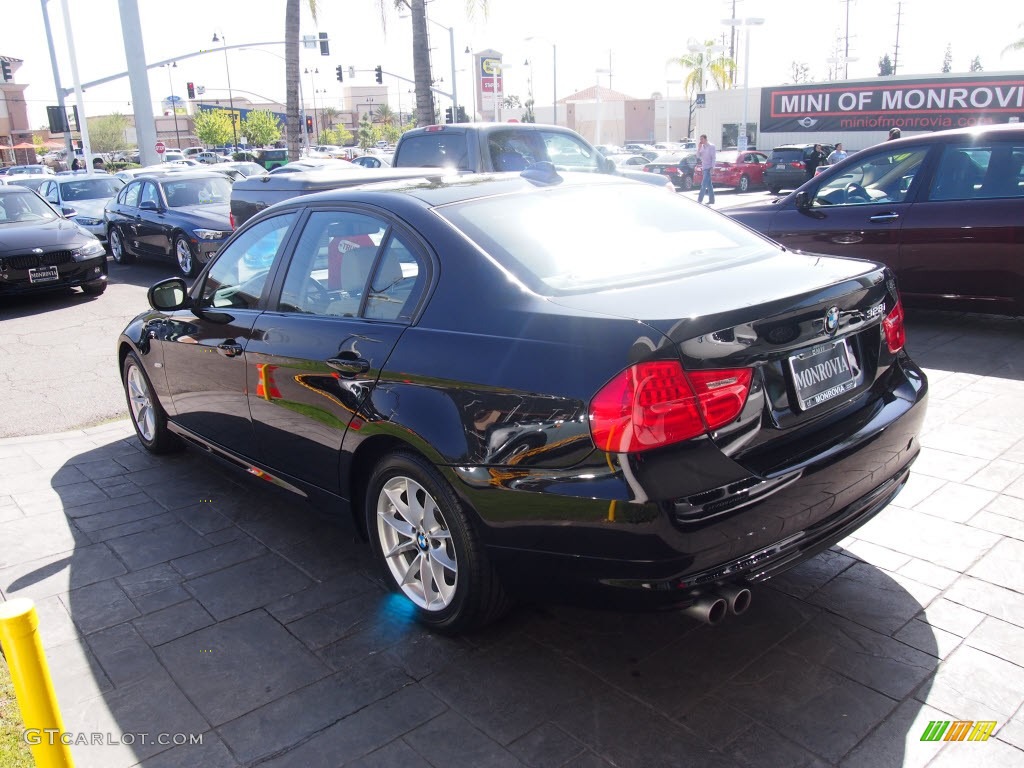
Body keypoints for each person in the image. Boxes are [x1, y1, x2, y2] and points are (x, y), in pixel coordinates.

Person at [696, 134, 716, 205]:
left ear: (705, 139)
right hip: (704, 167)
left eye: (701, 139)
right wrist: (699, 148)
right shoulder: (702, 147)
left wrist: (712, 167)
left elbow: (713, 158)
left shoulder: (711, 146)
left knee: (704, 184)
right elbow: (698, 156)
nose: (700, 141)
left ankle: (699, 200)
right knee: (709, 185)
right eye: (700, 139)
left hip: (709, 167)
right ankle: (712, 200)